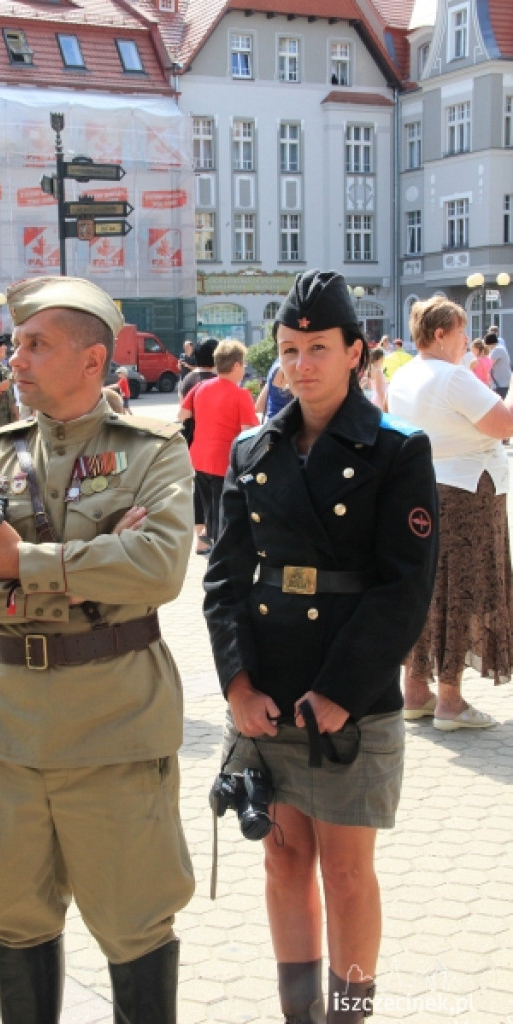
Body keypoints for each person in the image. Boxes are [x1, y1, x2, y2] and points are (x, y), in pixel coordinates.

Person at [0, 275, 195, 1024]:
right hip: (9, 733)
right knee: (13, 916)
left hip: (114, 727)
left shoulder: (152, 453)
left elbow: (160, 568)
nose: (14, 359)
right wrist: (97, 559)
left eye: (35, 344)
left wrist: (21, 564)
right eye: (17, 343)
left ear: (91, 359)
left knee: (135, 923)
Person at [203, 270, 438, 1023]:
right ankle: (297, 1012)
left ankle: (348, 1014)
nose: (301, 365)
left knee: (345, 871)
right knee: (282, 858)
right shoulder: (252, 450)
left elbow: (405, 587)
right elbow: (224, 580)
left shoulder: (397, 449)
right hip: (269, 694)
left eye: (318, 349)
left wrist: (341, 690)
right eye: (289, 349)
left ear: (355, 352)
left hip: (348, 694)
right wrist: (237, 685)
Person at [388, 295, 513, 730]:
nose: (465, 339)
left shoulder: (405, 374)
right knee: (461, 592)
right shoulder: (452, 378)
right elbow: (504, 425)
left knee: (428, 590)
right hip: (467, 492)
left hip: (424, 488)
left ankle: (416, 692)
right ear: (440, 334)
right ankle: (451, 702)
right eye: (461, 331)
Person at [179, 339, 259, 548]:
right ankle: (219, 550)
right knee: (223, 511)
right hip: (224, 460)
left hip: (199, 457)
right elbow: (248, 433)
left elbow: (183, 414)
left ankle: (212, 542)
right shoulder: (241, 395)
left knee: (209, 507)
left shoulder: (200, 387)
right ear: (236, 365)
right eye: (244, 365)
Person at [177, 338, 218, 555]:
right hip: (215, 442)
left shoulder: (187, 380)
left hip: (192, 441)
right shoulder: (218, 381)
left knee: (199, 491)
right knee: (217, 490)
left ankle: (200, 540)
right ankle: (213, 535)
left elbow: (182, 412)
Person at [484, 329, 511, 399]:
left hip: (501, 385)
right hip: (500, 384)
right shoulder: (499, 349)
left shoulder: (497, 350)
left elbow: (487, 365)